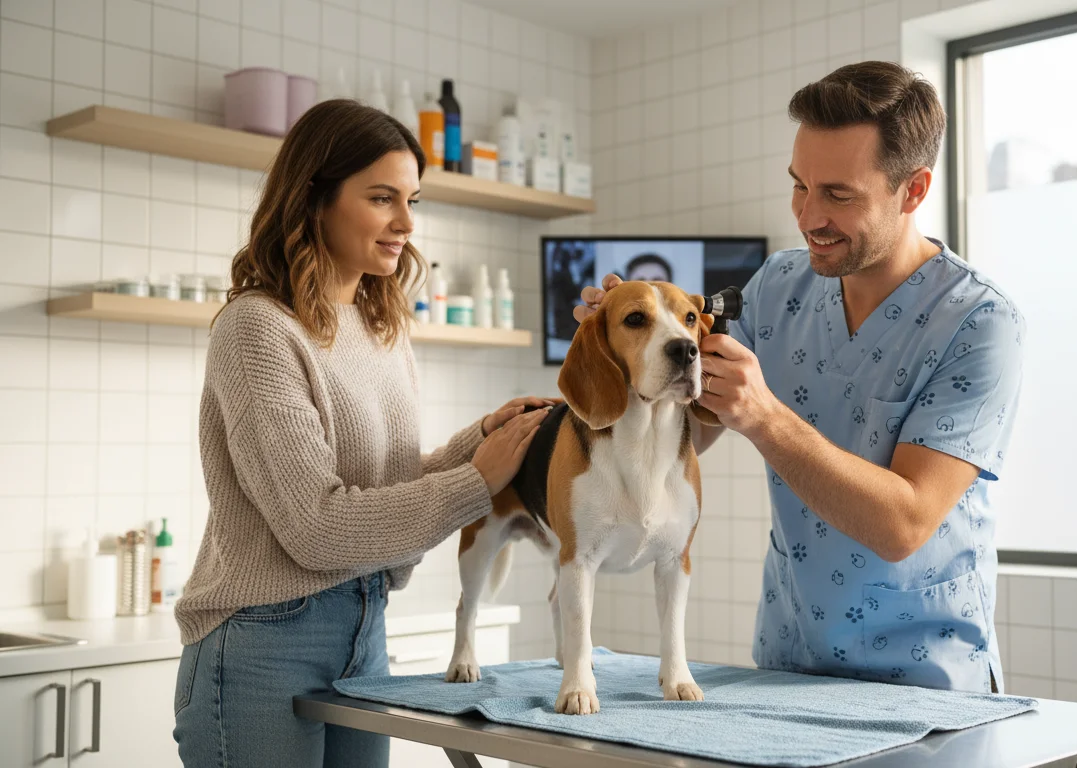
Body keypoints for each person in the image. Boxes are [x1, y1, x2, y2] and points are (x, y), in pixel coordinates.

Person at [576, 62, 1024, 694]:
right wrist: (627, 354)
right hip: (789, 661)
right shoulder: (779, 286)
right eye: (798, 186)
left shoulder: (979, 322)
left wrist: (763, 416)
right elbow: (695, 429)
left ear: (914, 189)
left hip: (928, 678)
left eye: (838, 195)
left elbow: (905, 525)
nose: (808, 216)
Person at [172, 99, 552, 766]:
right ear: (314, 198)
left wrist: (483, 436)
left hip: (365, 623)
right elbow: (316, 524)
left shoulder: (383, 329)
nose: (407, 223)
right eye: (383, 198)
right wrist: (478, 480)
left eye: (411, 199)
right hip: (263, 641)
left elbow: (386, 484)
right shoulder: (258, 329)